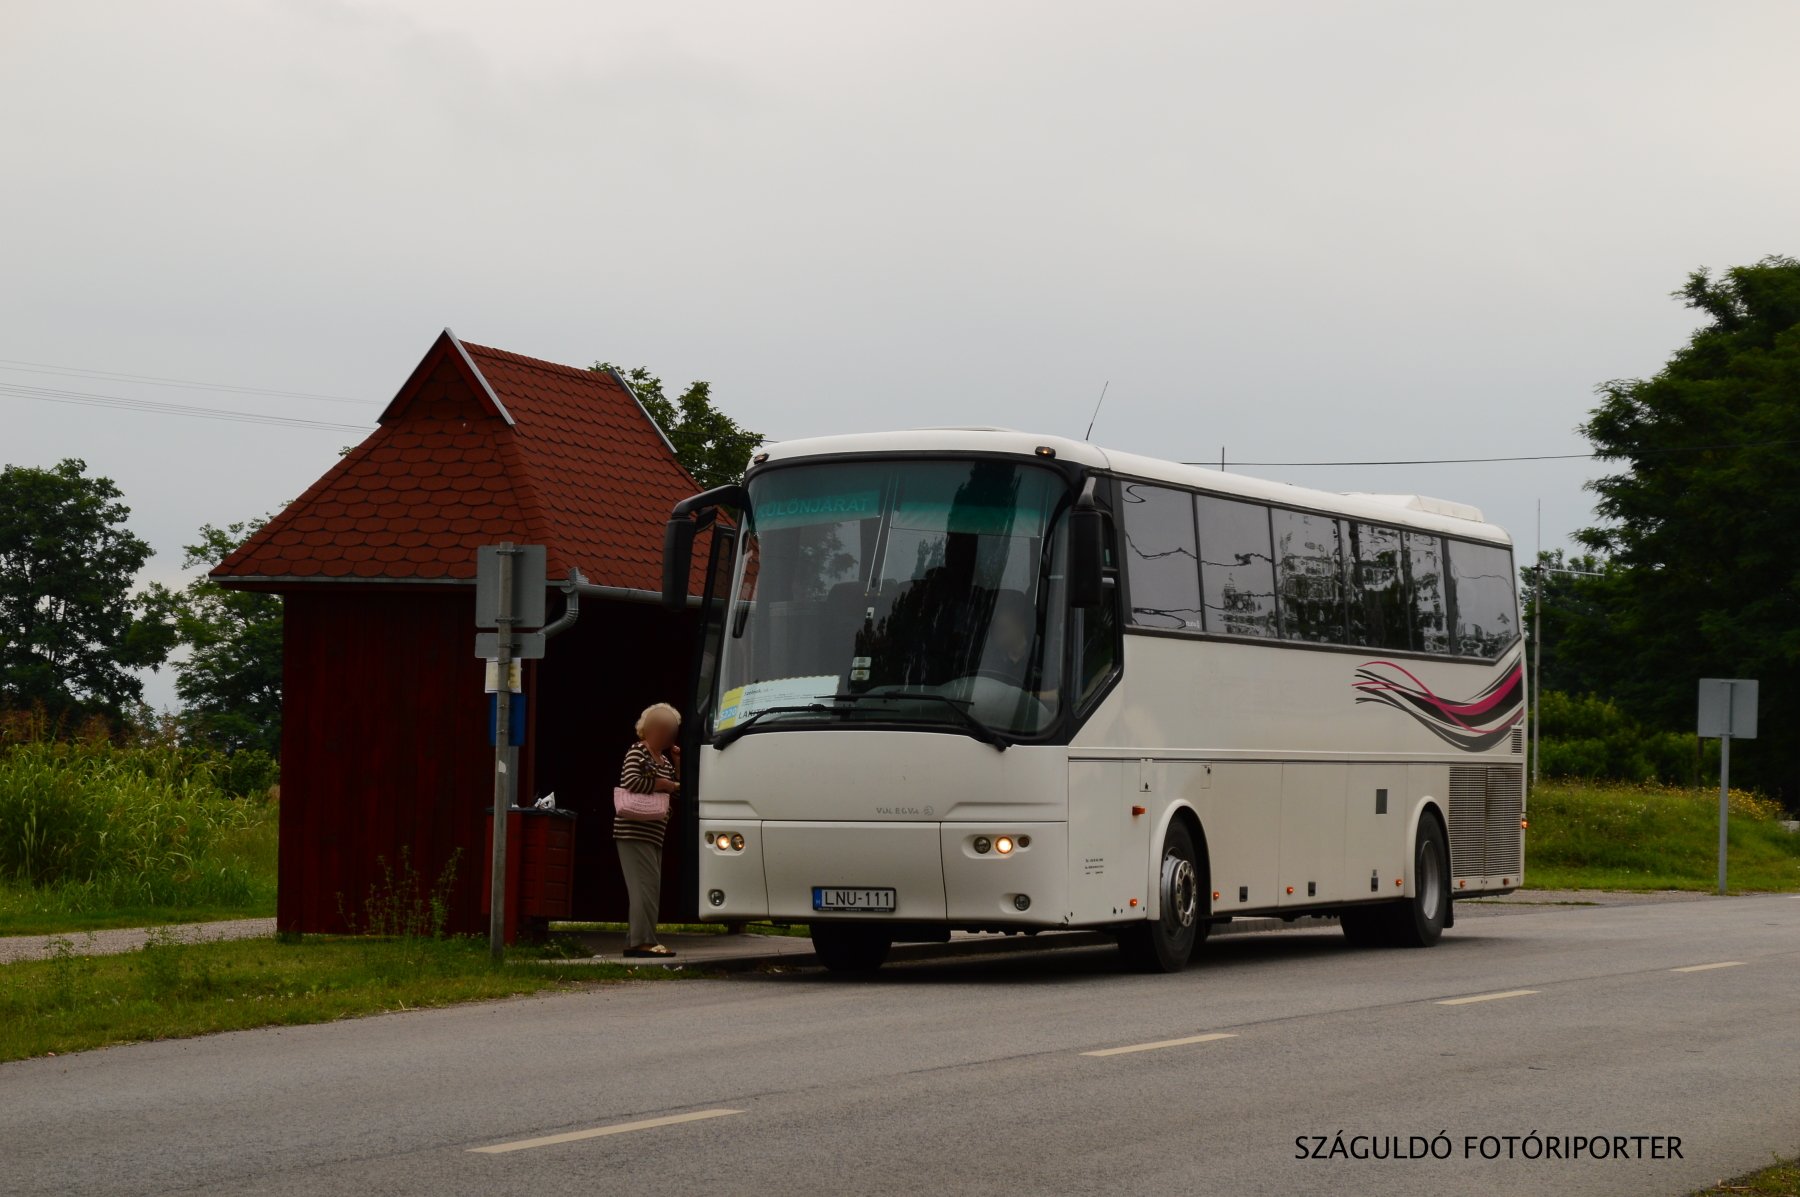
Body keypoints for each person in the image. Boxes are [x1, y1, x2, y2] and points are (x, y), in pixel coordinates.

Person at [616, 703, 681, 958]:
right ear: (648, 729)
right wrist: (662, 783)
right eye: (663, 729)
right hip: (633, 831)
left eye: (671, 730)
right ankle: (643, 942)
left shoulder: (663, 758)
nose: (668, 735)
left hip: (654, 832)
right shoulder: (638, 751)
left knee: (650, 887)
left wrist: (675, 765)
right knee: (644, 887)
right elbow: (630, 781)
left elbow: (677, 789)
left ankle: (636, 940)